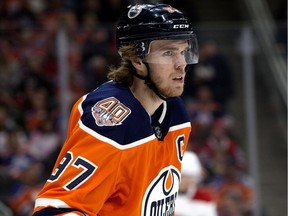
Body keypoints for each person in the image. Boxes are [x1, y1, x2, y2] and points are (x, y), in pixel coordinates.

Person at [33, 3, 199, 216]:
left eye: (184, 51)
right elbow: (55, 210)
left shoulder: (175, 109)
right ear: (137, 59)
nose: (181, 64)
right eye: (168, 53)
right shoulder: (110, 120)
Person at [175, 151, 218, 216]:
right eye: (179, 176)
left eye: (185, 177)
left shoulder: (204, 198)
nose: (181, 180)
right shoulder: (162, 196)